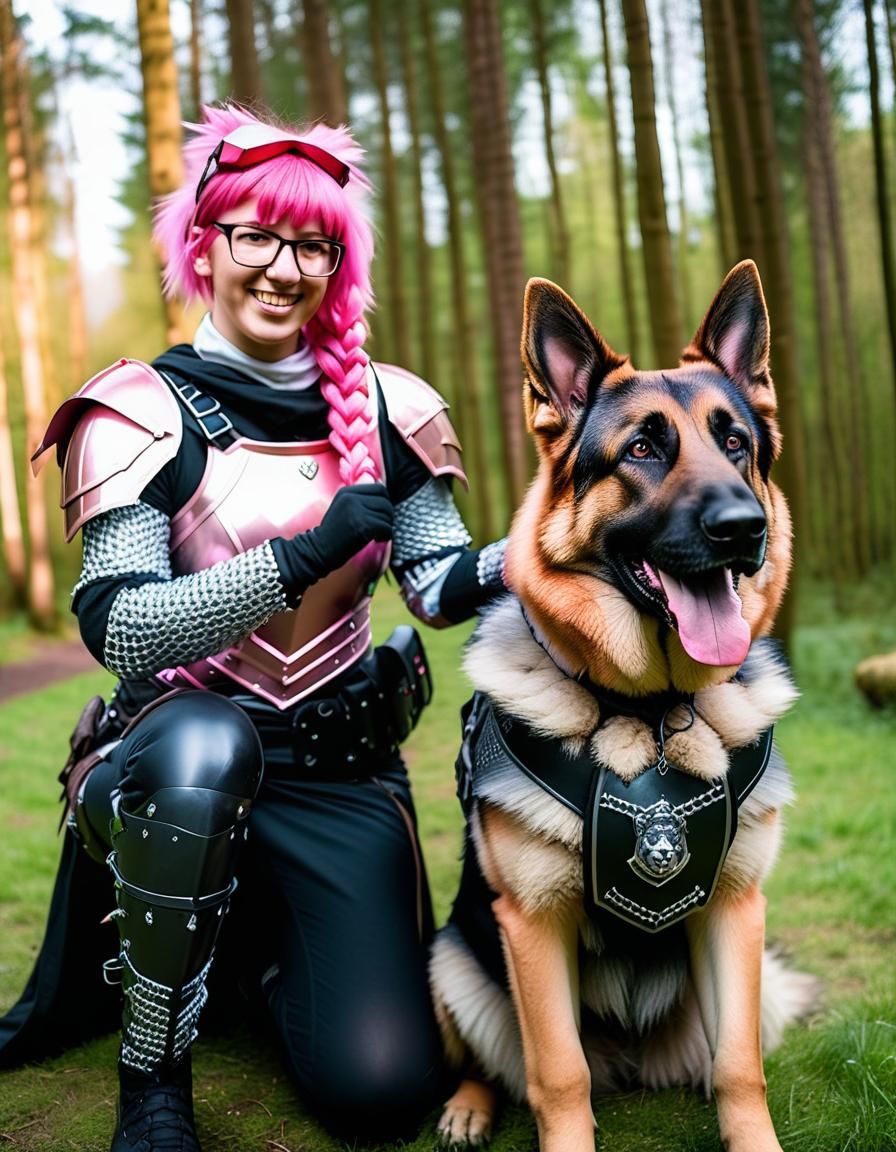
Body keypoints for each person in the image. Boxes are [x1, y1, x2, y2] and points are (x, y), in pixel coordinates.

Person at [1, 104, 507, 1151]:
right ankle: (153, 1078)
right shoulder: (137, 408)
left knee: (381, 1095)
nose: (283, 267)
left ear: (340, 260)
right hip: (167, 764)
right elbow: (126, 630)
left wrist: (572, 540)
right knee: (202, 742)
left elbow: (442, 586)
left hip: (335, 773)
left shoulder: (389, 407)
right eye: (255, 236)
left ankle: (248, 957)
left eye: (312, 243)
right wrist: (298, 557)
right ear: (204, 244)